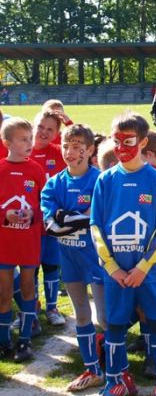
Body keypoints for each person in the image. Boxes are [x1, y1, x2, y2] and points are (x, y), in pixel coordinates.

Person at [90, 111, 156, 396]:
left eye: (128, 141)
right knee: (114, 325)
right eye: (116, 141)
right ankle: (116, 381)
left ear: (143, 142)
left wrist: (143, 267)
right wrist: (112, 267)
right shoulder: (105, 180)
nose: (121, 148)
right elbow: (96, 227)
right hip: (116, 274)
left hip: (147, 273)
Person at [40, 124, 106, 391]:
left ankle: (116, 367)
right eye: (66, 146)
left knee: (105, 318)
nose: (70, 152)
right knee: (81, 315)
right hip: (69, 259)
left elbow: (96, 219)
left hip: (99, 259)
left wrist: (65, 215)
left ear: (89, 150)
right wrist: (81, 217)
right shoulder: (54, 183)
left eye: (77, 147)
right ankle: (92, 369)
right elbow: (52, 227)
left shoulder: (100, 180)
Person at [0, 117, 45, 362]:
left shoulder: (36, 170)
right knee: (4, 293)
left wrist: (33, 214)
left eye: (30, 139)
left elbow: (45, 206)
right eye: (23, 139)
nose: (29, 143)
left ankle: (24, 340)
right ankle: (4, 341)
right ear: (7, 143)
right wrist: (4, 215)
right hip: (4, 244)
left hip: (29, 243)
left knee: (28, 288)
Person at [30, 111, 68, 327]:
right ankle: (32, 305)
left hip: (53, 223)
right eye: (40, 126)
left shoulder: (59, 153)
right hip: (29, 224)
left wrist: (68, 121)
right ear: (33, 126)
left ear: (56, 134)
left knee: (52, 265)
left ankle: (52, 307)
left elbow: (80, 142)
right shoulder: (21, 150)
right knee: (31, 267)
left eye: (50, 129)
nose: (44, 132)